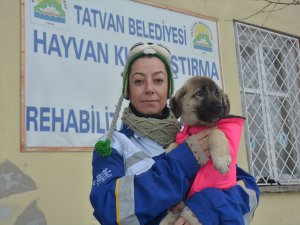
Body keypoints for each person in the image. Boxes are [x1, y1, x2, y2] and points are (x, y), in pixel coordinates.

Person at [89, 42, 259, 225]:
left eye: (158, 80)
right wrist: (184, 160)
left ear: (169, 89)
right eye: (138, 81)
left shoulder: (192, 134)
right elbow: (108, 209)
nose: (149, 89)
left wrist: (206, 208)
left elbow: (248, 190)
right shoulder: (114, 143)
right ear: (127, 90)